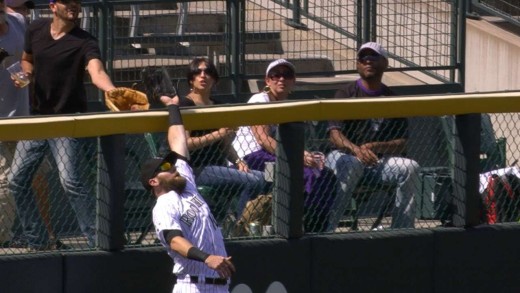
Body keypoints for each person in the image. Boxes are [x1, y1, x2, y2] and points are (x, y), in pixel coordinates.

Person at [8, 0, 117, 250]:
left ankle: (95, 240)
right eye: (68, 2)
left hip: (68, 122)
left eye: (77, 3)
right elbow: (27, 59)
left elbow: (96, 71)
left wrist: (112, 90)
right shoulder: (36, 28)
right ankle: (37, 240)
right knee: (17, 180)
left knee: (71, 181)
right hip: (38, 119)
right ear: (53, 5)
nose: (74, 6)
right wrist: (26, 74)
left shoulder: (85, 41)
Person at [140, 94, 235, 293]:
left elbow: (178, 141)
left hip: (219, 286)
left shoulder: (187, 184)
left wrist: (173, 107)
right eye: (165, 167)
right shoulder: (164, 205)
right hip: (193, 285)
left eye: (170, 163)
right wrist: (206, 258)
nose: (172, 167)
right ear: (153, 181)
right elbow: (175, 240)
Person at [232, 59, 336, 232]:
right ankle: (301, 226)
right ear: (267, 80)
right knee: (304, 173)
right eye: (276, 75)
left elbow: (289, 141)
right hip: (249, 156)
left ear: (293, 81)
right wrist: (298, 156)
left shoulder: (286, 104)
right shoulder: (260, 99)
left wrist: (305, 154)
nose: (281, 79)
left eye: (286, 75)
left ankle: (316, 228)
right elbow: (263, 139)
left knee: (325, 174)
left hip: (274, 154)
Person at [324, 42, 420, 230]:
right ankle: (327, 230)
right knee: (351, 164)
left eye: (373, 57)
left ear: (385, 63)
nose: (367, 61)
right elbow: (334, 134)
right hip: (343, 158)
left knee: (411, 167)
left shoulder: (392, 97)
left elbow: (402, 142)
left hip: (377, 163)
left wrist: (374, 147)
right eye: (363, 58)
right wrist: (357, 150)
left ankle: (403, 232)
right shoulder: (346, 93)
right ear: (357, 64)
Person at [178, 57, 266, 224]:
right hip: (196, 168)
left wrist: (238, 160)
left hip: (218, 165)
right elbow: (186, 144)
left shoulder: (217, 104)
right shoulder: (185, 104)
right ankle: (242, 225)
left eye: (208, 72)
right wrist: (218, 134)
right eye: (198, 72)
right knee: (252, 181)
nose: (203, 76)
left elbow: (225, 145)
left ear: (215, 79)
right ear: (191, 79)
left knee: (263, 178)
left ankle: (228, 220)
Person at [0, 0, 29, 245]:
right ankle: (2, 238)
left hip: (23, 117)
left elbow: (29, 57)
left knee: (27, 180)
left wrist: (26, 71)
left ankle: (38, 236)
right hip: (1, 122)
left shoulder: (18, 22)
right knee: (5, 183)